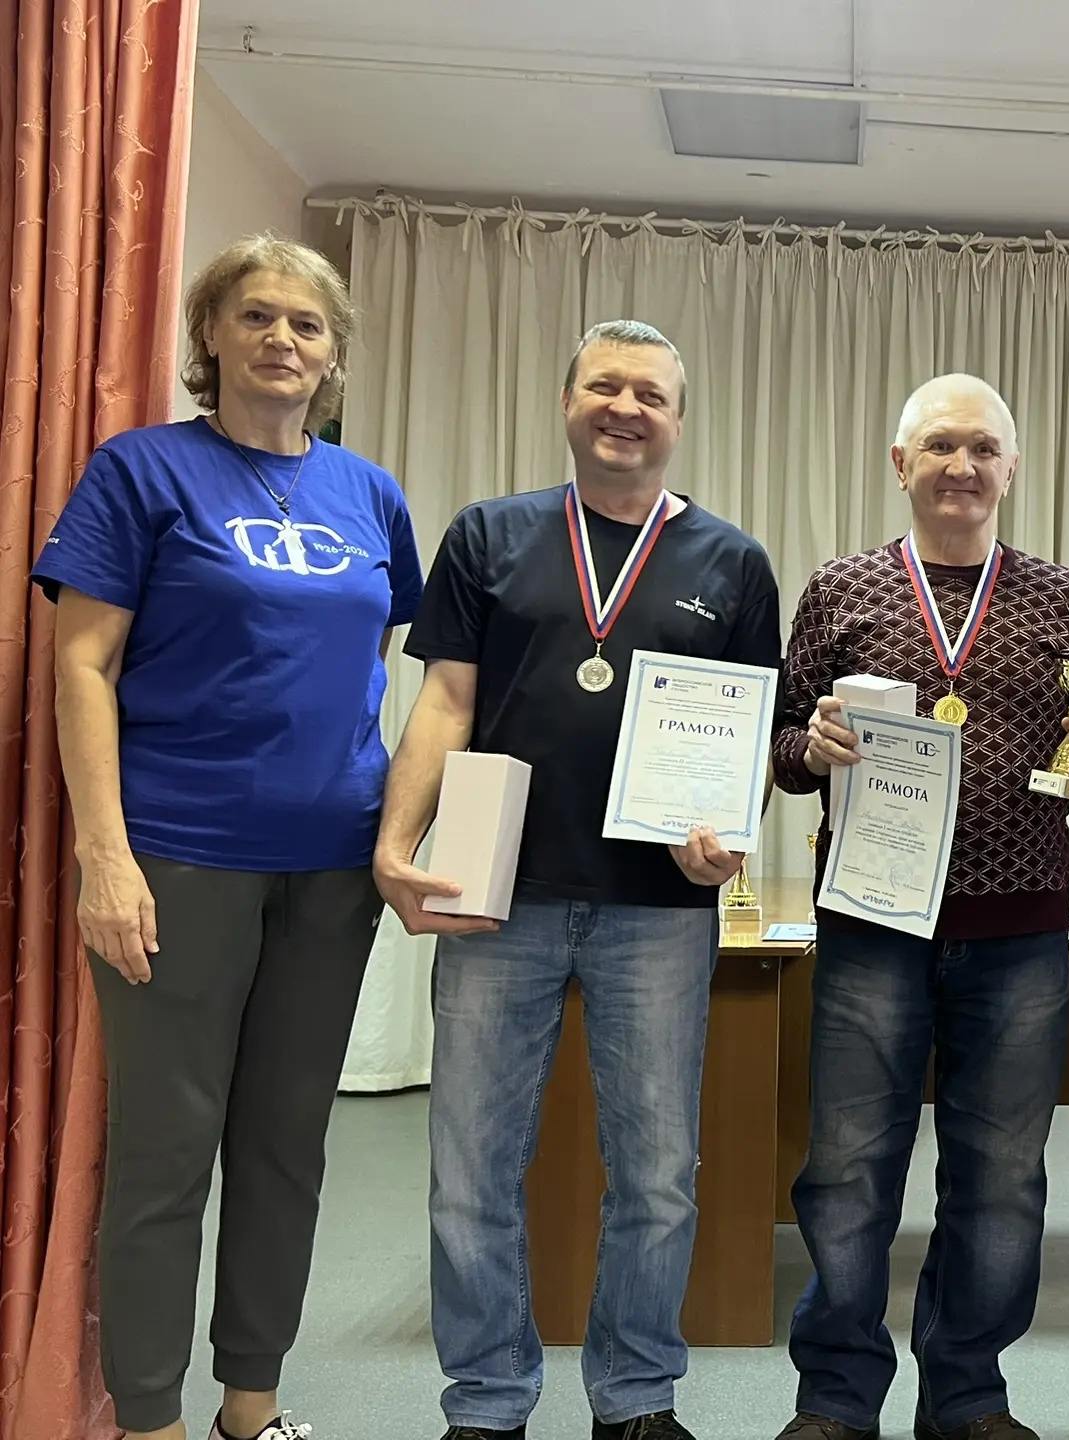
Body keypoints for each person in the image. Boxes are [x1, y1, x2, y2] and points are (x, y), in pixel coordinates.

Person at [32, 235, 422, 1440]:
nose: (282, 341)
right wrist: (104, 854)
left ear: (334, 351)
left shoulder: (370, 495)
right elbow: (82, 664)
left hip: (331, 867)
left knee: (287, 1146)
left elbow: (367, 663)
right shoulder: (142, 472)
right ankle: (150, 1419)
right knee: (166, 1149)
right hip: (179, 856)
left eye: (306, 324)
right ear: (210, 334)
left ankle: (252, 1408)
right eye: (256, 316)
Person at [374, 320, 781, 1440]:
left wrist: (726, 839)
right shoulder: (489, 534)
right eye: (605, 385)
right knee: (470, 1170)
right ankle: (487, 1402)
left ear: (679, 420)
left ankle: (635, 1398)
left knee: (655, 1175)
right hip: (494, 892)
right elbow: (445, 700)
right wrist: (395, 842)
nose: (626, 407)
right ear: (567, 402)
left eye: (650, 392)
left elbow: (745, 737)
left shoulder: (733, 563)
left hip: (659, 911)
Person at [767, 374, 1069, 1440]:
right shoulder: (839, 589)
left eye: (981, 448)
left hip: (1019, 930)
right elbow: (780, 745)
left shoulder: (1063, 597)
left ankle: (968, 1394)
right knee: (846, 1172)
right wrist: (810, 748)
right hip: (872, 925)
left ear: (1011, 467)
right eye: (938, 446)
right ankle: (837, 1399)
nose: (960, 466)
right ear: (901, 464)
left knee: (1002, 1179)